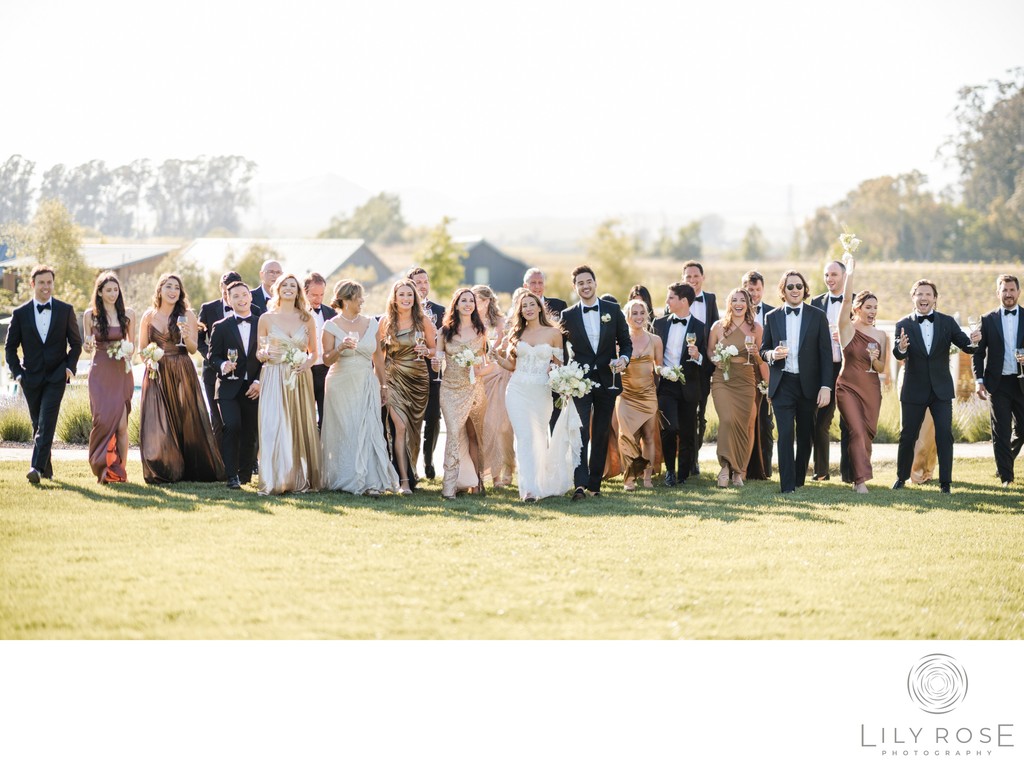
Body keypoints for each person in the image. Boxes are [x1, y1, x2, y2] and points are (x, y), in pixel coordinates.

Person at [892, 280, 979, 494]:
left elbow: (965, 345)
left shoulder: (948, 322)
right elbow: (897, 352)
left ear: (934, 298)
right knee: (907, 436)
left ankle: (945, 483)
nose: (923, 298)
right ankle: (901, 478)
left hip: (941, 390)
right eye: (919, 294)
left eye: (927, 294)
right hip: (913, 389)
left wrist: (975, 341)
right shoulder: (903, 323)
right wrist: (901, 348)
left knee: (944, 435)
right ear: (913, 298)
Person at [138, 273, 225, 484]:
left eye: (176, 287)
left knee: (185, 417)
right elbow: (141, 349)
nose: (172, 291)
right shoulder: (148, 316)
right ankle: (166, 467)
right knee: (159, 420)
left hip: (181, 368)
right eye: (168, 286)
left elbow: (193, 349)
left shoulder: (187, 314)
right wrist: (149, 360)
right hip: (156, 371)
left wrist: (186, 335)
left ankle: (192, 467)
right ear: (159, 290)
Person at [5, 265, 83, 484]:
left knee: (46, 421)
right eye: (41, 283)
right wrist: (18, 374)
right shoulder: (19, 314)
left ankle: (36, 469)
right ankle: (47, 469)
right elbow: (10, 349)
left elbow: (76, 344)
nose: (46, 287)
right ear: (33, 284)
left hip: (57, 376)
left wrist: (69, 368)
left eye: (49, 282)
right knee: (37, 425)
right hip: (30, 378)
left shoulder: (65, 310)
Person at [559, 265, 632, 499]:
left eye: (588, 281)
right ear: (575, 287)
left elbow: (626, 341)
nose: (585, 286)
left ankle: (594, 485)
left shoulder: (612, 309)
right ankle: (579, 484)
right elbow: (560, 349)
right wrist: (564, 375)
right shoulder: (567, 316)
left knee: (600, 432)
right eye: (580, 283)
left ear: (595, 282)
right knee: (581, 433)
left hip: (608, 379)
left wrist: (624, 358)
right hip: (579, 381)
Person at [320, 279, 399, 496]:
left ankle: (371, 480)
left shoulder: (371, 323)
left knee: (369, 428)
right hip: (340, 383)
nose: (362, 301)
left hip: (366, 381)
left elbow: (379, 359)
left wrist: (383, 385)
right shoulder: (330, 326)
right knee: (347, 430)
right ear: (345, 300)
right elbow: (326, 359)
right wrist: (340, 349)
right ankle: (347, 477)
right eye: (357, 298)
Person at [496, 291, 576, 501]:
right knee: (524, 437)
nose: (529, 308)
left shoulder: (553, 333)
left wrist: (556, 374)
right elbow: (511, 365)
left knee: (539, 437)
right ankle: (529, 489)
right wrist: (495, 356)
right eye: (524, 306)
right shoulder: (516, 333)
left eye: (532, 304)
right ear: (520, 311)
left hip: (541, 391)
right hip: (517, 389)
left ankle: (542, 482)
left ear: (540, 307)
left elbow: (560, 366)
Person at [760, 271, 833, 495]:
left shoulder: (818, 316)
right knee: (784, 435)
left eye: (799, 286)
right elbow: (763, 350)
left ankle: (799, 478)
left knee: (805, 435)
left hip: (808, 385)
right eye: (790, 287)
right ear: (783, 290)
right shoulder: (771, 317)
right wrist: (772, 355)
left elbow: (825, 354)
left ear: (804, 289)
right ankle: (787, 486)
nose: (795, 290)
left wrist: (825, 386)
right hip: (783, 384)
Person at [254, 273, 323, 495]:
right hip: (274, 375)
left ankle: (298, 477)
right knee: (274, 424)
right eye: (285, 285)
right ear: (277, 288)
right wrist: (263, 353)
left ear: (298, 291)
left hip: (300, 377)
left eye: (293, 285)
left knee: (298, 424)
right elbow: (259, 352)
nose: (289, 288)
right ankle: (276, 478)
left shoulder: (306, 318)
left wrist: (306, 365)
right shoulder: (266, 318)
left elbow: (314, 353)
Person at [835, 258, 888, 493]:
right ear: (857, 309)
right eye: (868, 307)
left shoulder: (881, 335)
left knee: (867, 433)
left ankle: (859, 474)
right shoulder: (847, 329)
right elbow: (845, 299)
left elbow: (881, 368)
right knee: (855, 429)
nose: (873, 311)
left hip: (871, 389)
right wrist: (850, 274)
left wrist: (875, 358)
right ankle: (860, 481)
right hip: (847, 387)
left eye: (875, 307)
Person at [432, 288, 488, 499]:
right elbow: (437, 359)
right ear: (455, 305)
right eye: (463, 300)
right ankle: (449, 486)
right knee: (454, 432)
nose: (468, 304)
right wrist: (436, 361)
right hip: (450, 389)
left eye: (471, 301)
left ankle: (477, 481)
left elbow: (486, 363)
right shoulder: (445, 331)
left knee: (474, 434)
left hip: (474, 387)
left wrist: (479, 369)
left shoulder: (481, 331)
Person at [382, 278, 436, 494]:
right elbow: (379, 354)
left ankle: (411, 473)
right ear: (394, 298)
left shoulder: (423, 321)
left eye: (409, 295)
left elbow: (434, 350)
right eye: (401, 294)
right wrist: (381, 383)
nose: (406, 298)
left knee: (414, 429)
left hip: (418, 380)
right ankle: (403, 481)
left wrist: (428, 353)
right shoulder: (385, 322)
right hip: (393, 377)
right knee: (400, 427)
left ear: (415, 298)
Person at [708, 288, 767, 488]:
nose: (739, 303)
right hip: (722, 379)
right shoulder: (718, 326)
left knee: (742, 425)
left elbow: (760, 360)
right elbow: (709, 351)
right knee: (727, 419)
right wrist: (715, 360)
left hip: (746, 380)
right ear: (729, 303)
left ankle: (738, 471)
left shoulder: (756, 329)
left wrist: (756, 353)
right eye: (735, 299)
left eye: (742, 300)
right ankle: (725, 466)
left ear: (748, 304)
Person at [209, 281, 264, 489]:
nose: (241, 299)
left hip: (253, 387)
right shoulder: (221, 326)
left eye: (244, 295)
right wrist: (223, 364)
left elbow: (266, 358)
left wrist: (259, 381)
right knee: (232, 426)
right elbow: (212, 356)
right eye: (235, 296)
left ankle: (245, 474)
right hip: (228, 388)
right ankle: (231, 476)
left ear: (250, 297)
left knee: (250, 432)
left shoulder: (261, 323)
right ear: (228, 300)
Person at [82, 272, 135, 483]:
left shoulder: (128, 314)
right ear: (100, 292)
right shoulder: (90, 315)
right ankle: (100, 465)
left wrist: (126, 351)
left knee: (121, 426)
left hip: (121, 371)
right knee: (102, 420)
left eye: (116, 290)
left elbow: (132, 346)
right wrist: (87, 345)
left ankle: (119, 471)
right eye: (108, 290)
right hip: (99, 371)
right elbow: (88, 346)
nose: (113, 294)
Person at [652, 282, 705, 487]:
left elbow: (706, 362)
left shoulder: (700, 327)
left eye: (671, 297)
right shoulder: (659, 323)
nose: (667, 301)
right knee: (669, 428)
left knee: (687, 431)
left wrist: (698, 356)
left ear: (683, 301)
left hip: (689, 385)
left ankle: (683, 473)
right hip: (666, 384)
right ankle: (670, 472)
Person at [973, 274, 1024, 486]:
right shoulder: (987, 320)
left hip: (1022, 382)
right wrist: (979, 380)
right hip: (998, 383)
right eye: (1004, 290)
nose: (1009, 294)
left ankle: (1005, 460)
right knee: (1000, 430)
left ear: (1019, 292)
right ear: (998, 293)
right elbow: (978, 352)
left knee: (1022, 429)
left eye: (1012, 290)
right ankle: (1006, 477)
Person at [810, 260, 851, 482]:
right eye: (826, 275)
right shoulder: (816, 302)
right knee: (820, 422)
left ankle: (848, 474)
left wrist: (846, 336)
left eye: (834, 274)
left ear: (845, 276)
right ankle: (821, 471)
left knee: (848, 422)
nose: (829, 279)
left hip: (849, 369)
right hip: (824, 370)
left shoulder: (855, 301)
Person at [616, 298, 663, 490]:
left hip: (648, 395)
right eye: (634, 313)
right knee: (627, 437)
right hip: (626, 396)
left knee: (649, 437)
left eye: (642, 313)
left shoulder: (656, 340)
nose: (638, 317)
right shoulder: (618, 341)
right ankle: (629, 479)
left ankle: (647, 478)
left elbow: (659, 367)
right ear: (627, 317)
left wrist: (666, 371)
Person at [197, 270, 249, 441]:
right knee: (217, 419)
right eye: (226, 289)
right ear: (221, 287)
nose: (229, 294)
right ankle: (219, 462)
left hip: (241, 372)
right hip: (213, 371)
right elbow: (199, 340)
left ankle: (245, 460)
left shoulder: (251, 310)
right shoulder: (208, 308)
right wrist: (213, 359)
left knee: (241, 417)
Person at [472, 284, 515, 488]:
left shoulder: (499, 321)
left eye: (476, 299)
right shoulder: (469, 321)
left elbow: (501, 346)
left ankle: (504, 469)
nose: (472, 303)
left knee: (499, 425)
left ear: (486, 301)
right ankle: (484, 472)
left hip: (498, 374)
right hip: (477, 376)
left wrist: (494, 352)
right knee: (481, 425)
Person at [407, 267, 445, 480]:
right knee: (413, 419)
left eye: (425, 281)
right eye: (418, 282)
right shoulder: (404, 309)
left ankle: (429, 460)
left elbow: (444, 341)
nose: (423, 285)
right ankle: (411, 464)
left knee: (433, 417)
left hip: (433, 372)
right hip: (410, 372)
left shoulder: (440, 310)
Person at [682, 260, 719, 475]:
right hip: (682, 367)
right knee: (685, 414)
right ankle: (684, 459)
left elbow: (714, 330)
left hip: (703, 368)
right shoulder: (677, 299)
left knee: (701, 414)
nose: (693, 280)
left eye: (696, 276)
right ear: (683, 278)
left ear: (703, 277)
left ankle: (695, 458)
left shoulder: (711, 300)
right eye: (688, 277)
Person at [742, 270, 774, 480]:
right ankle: (744, 466)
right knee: (745, 420)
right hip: (743, 371)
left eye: (757, 289)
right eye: (750, 289)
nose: (753, 293)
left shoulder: (773, 313)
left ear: (763, 290)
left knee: (765, 421)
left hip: (767, 369)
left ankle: (765, 469)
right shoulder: (734, 313)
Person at [304, 272, 336, 430]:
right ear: (305, 292)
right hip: (305, 371)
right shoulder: (298, 315)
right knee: (306, 420)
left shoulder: (331, 314)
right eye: (314, 295)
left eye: (322, 294)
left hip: (326, 370)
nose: (318, 299)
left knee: (327, 419)